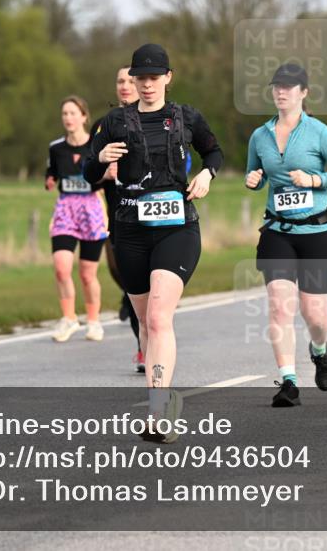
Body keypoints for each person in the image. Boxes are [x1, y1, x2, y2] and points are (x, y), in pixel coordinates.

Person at [84, 43, 223, 442]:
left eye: (153, 77)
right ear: (133, 80)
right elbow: (89, 173)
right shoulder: (113, 122)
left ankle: (159, 411)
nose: (146, 84)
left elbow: (214, 151)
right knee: (145, 322)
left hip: (177, 228)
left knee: (161, 318)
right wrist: (100, 159)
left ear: (168, 77)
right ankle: (161, 398)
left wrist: (207, 175)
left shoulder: (186, 118)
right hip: (129, 231)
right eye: (139, 78)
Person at [245, 63, 327, 408]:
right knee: (280, 306)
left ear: (303, 93)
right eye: (277, 86)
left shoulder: (319, 132)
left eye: (289, 87)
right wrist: (255, 179)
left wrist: (314, 180)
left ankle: (319, 350)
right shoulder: (259, 135)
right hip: (278, 231)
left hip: (318, 232)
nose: (281, 91)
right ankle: (289, 381)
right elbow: (257, 171)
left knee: (315, 315)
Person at [45, 95, 110, 342]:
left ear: (84, 116)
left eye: (73, 113)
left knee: (86, 274)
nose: (68, 118)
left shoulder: (95, 146)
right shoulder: (56, 148)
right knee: (62, 269)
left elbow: (106, 174)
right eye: (64, 114)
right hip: (65, 209)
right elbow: (51, 173)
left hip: (92, 210)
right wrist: (49, 180)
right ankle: (69, 318)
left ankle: (93, 321)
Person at [94, 66, 145, 371]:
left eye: (130, 80)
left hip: (157, 217)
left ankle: (148, 348)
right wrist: (104, 172)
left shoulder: (162, 119)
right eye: (120, 81)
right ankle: (143, 341)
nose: (124, 86)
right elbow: (89, 170)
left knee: (151, 291)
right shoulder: (105, 125)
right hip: (119, 218)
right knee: (129, 284)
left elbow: (185, 160)